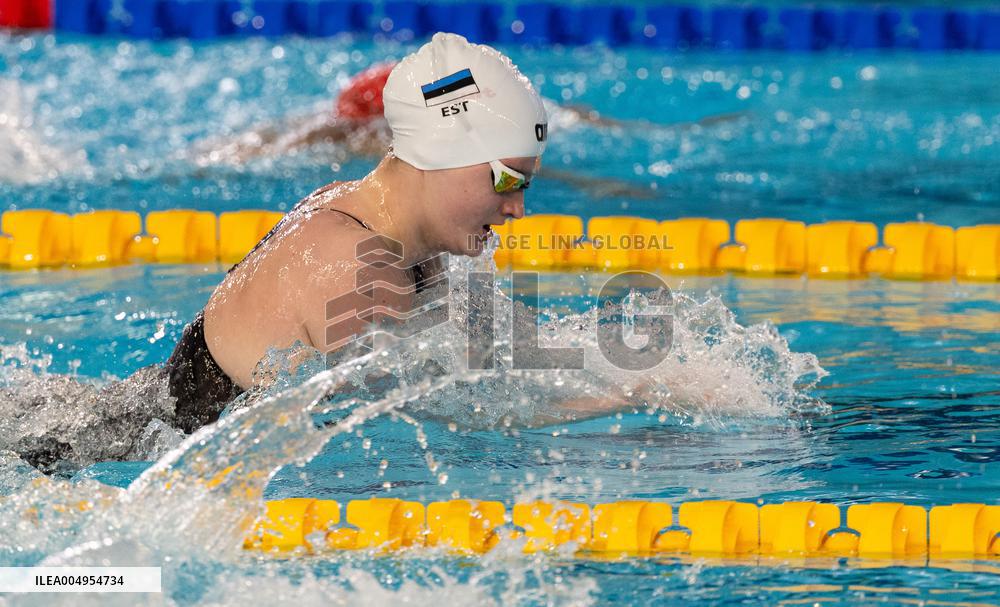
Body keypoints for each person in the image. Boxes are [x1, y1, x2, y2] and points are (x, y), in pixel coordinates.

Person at [166, 33, 552, 433]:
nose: (517, 210)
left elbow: (471, 372)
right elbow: (409, 437)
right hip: (136, 456)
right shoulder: (359, 266)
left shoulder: (377, 224)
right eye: (508, 181)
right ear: (442, 154)